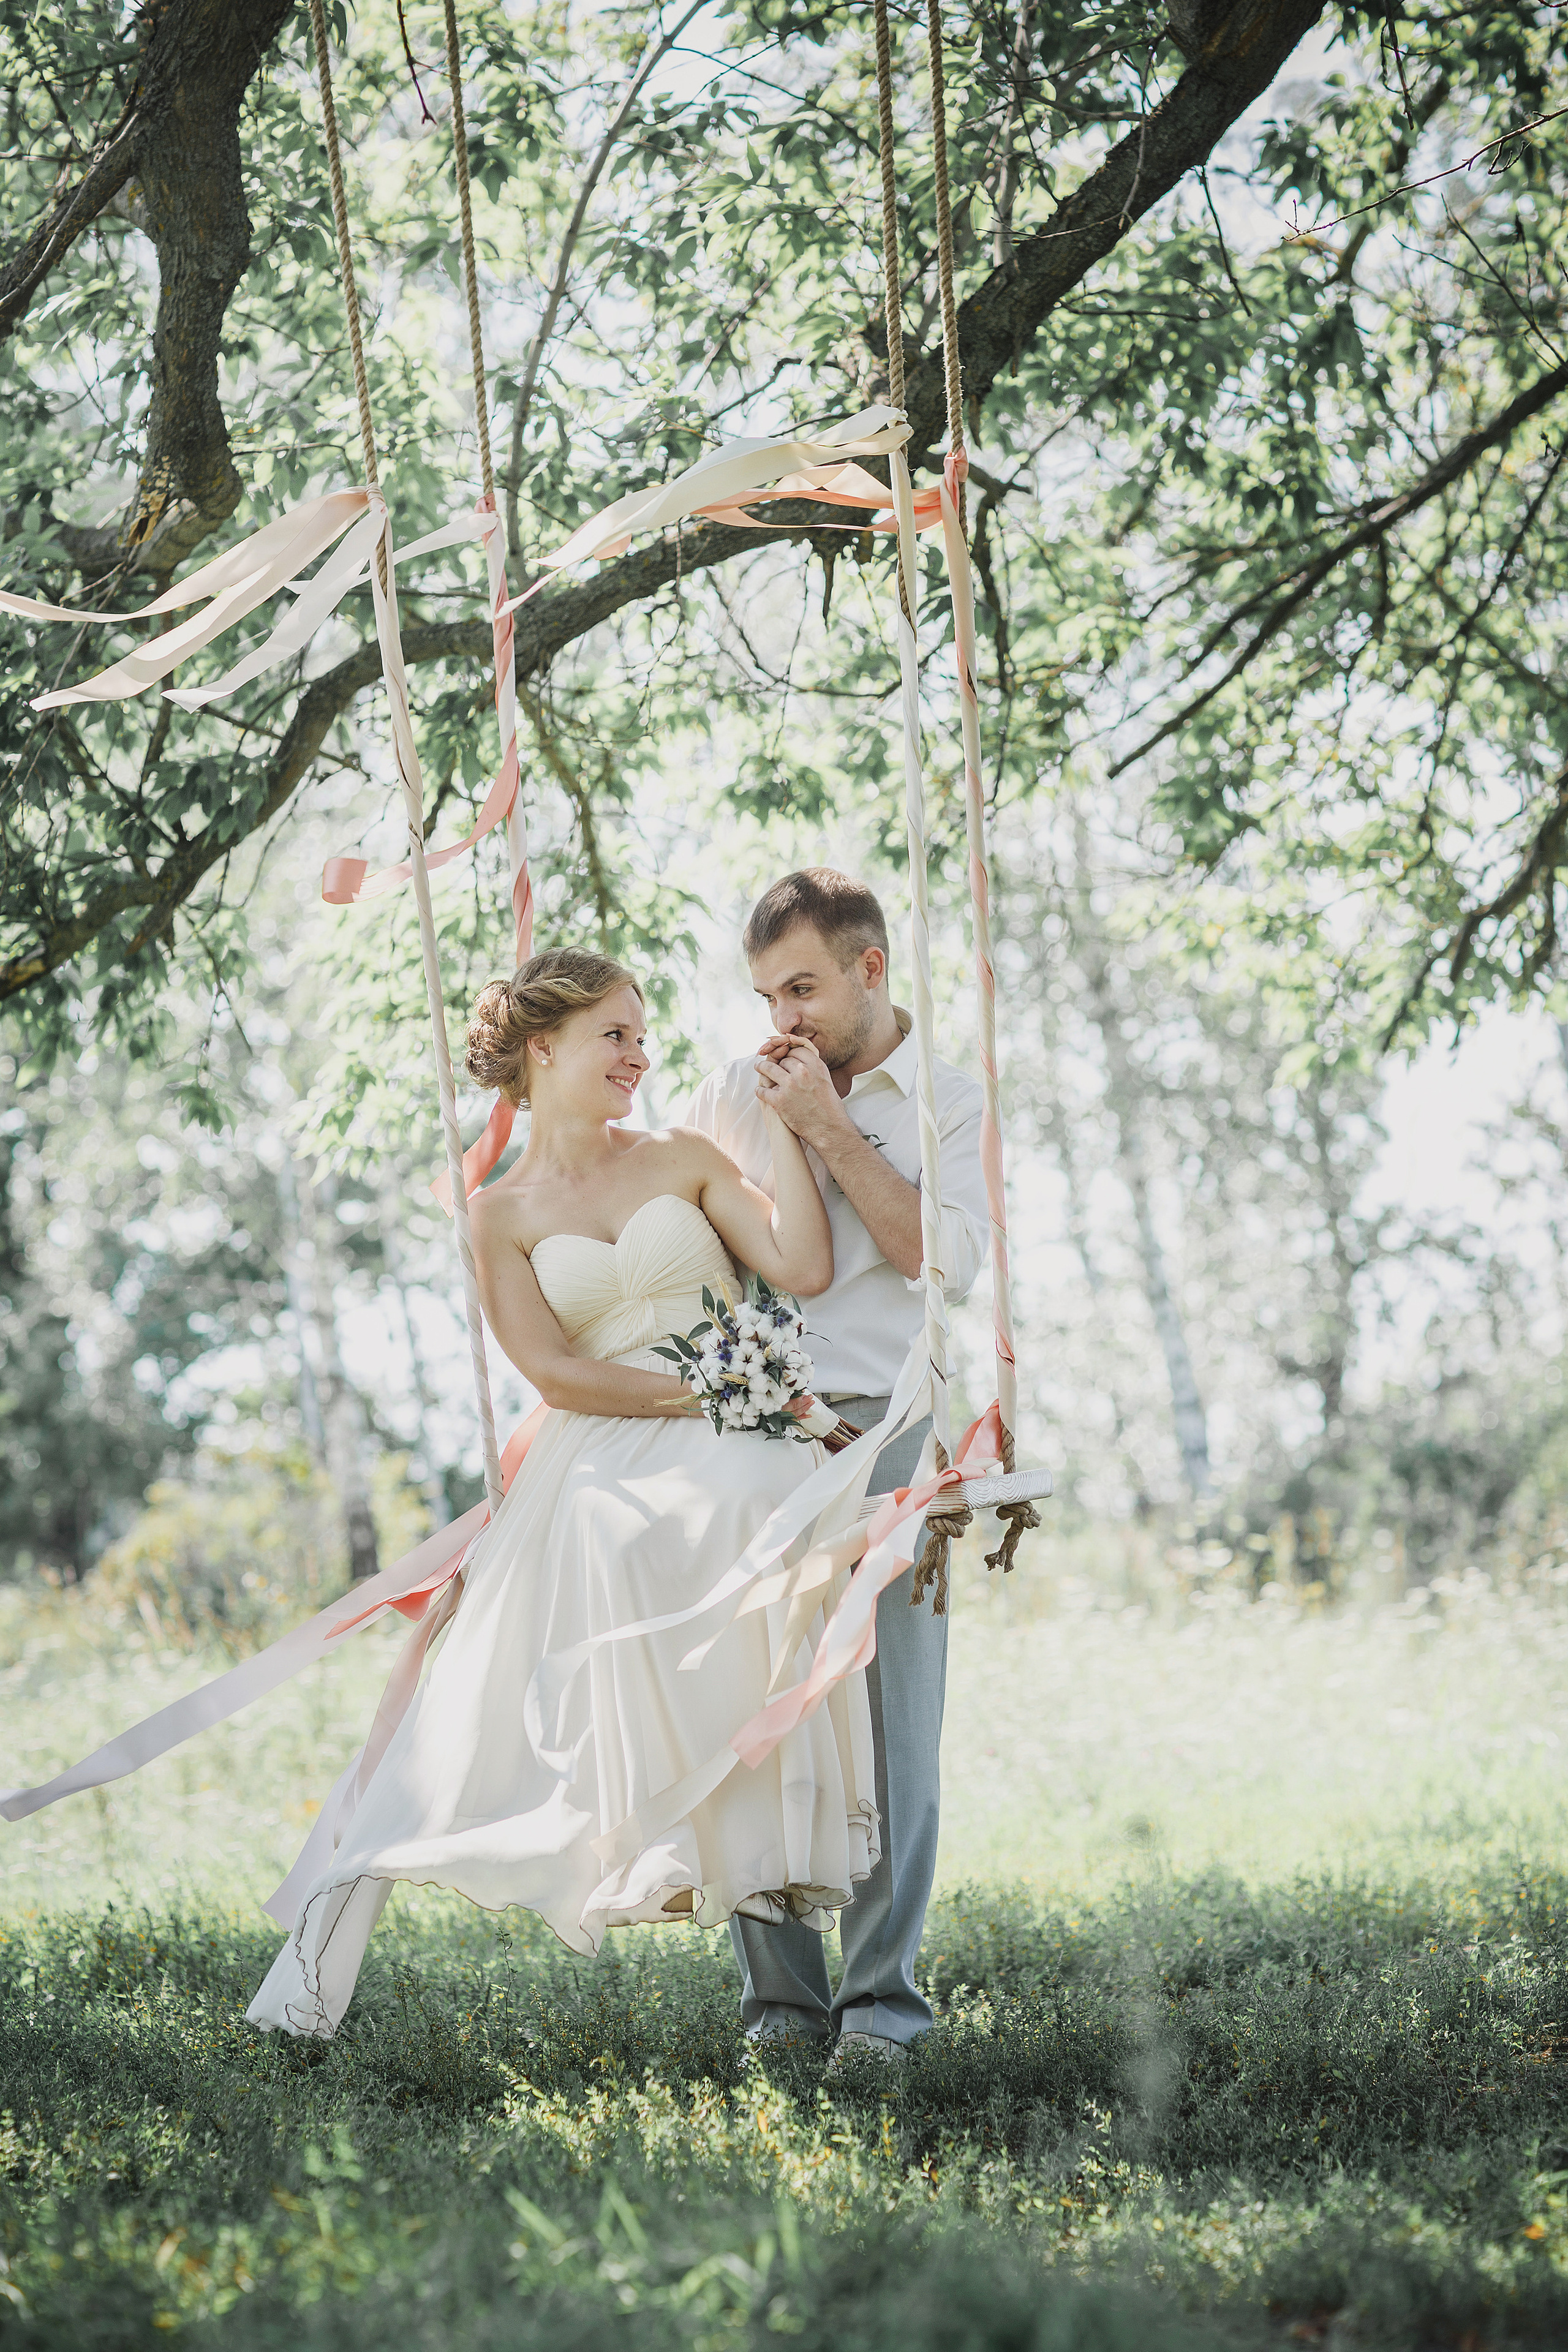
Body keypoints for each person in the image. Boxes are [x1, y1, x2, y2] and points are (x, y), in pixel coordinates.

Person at [247, 946, 881, 2038]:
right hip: (610, 1440)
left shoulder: (679, 1153)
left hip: (736, 1429)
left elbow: (801, 1268)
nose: (641, 1055)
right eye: (617, 1035)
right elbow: (552, 1372)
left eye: (643, 1035)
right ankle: (625, 1827)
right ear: (544, 1049)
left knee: (749, 1500)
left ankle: (764, 1855)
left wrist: (785, 1127)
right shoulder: (498, 1215)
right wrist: (705, 1394)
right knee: (583, 1573)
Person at [684, 869, 987, 2063]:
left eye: (803, 986)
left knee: (888, 1728)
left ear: (870, 969)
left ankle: (881, 2008)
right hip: (755, 1427)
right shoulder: (729, 1088)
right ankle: (778, 2003)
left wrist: (826, 1128)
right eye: (765, 993)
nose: (783, 1018)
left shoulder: (950, 1103)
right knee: (752, 1716)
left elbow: (933, 1256)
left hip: (891, 1422)